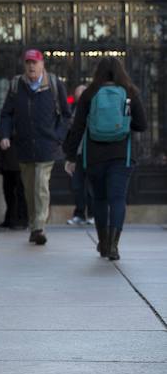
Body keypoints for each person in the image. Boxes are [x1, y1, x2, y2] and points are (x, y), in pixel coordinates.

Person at [63, 57, 147, 260]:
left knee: (99, 199)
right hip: (122, 155)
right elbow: (142, 124)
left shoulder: (90, 94)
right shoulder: (129, 93)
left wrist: (71, 156)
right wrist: (125, 125)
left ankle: (102, 242)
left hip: (94, 156)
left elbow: (78, 127)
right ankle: (114, 245)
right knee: (117, 199)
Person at [0, 49, 70, 246]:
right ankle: (34, 225)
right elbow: (6, 114)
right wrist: (5, 135)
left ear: (42, 64)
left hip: (47, 145)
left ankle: (39, 226)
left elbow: (66, 115)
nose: (31, 66)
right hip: (24, 147)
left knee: (40, 185)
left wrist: (58, 136)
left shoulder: (54, 84)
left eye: (35, 62)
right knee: (29, 189)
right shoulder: (16, 85)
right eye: (28, 62)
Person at [66, 84, 95, 226]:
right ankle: (79, 214)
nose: (79, 98)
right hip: (78, 153)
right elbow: (72, 132)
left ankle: (92, 214)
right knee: (77, 185)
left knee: (91, 186)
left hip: (90, 153)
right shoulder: (74, 110)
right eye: (77, 96)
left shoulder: (94, 107)